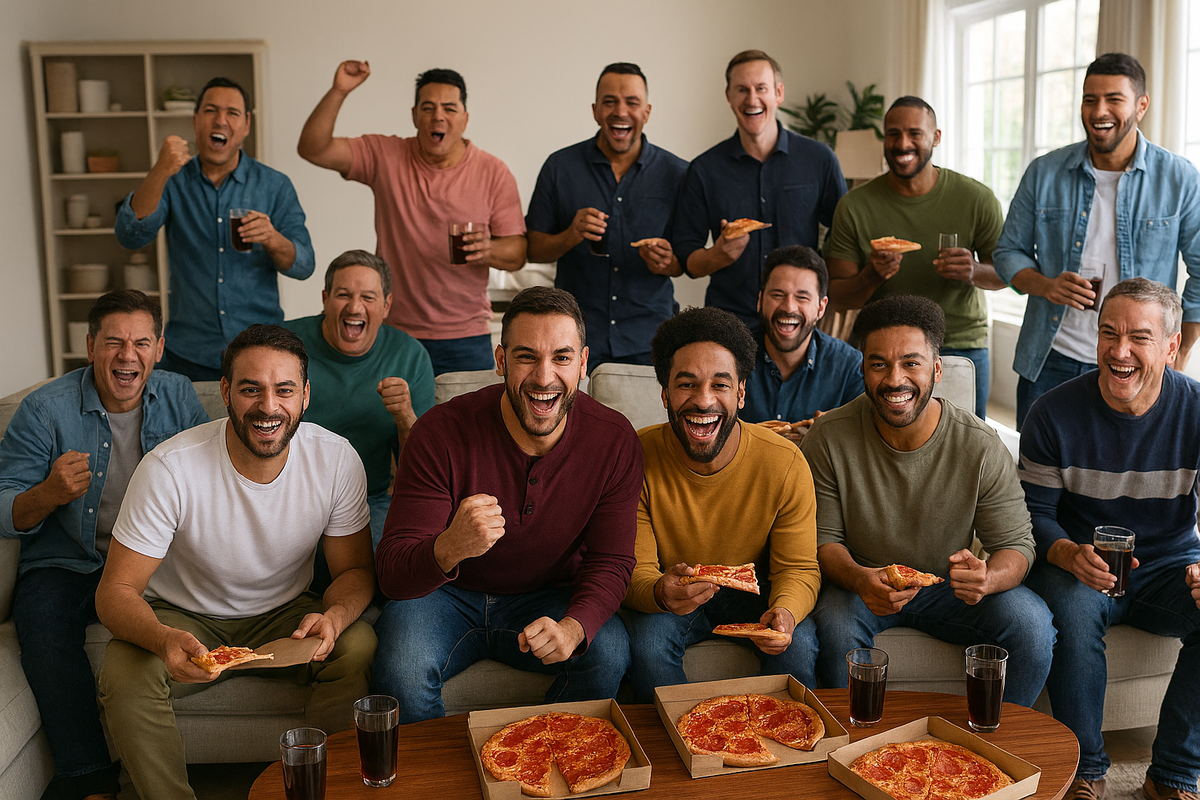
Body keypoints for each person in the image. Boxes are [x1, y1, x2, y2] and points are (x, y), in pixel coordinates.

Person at [95, 325, 376, 800]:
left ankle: (333, 790)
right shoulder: (169, 468)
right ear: (225, 391)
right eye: (251, 389)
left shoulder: (337, 459)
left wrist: (334, 617)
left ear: (305, 395)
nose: (268, 407)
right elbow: (115, 592)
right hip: (182, 616)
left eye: (284, 389)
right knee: (123, 672)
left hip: (284, 614)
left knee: (357, 641)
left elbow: (354, 572)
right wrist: (163, 638)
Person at [371, 287, 642, 723]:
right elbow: (391, 575)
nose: (544, 376)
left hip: (546, 597)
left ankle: (529, 759)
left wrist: (573, 628)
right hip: (445, 596)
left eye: (562, 357)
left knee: (608, 652)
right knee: (400, 666)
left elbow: (612, 561)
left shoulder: (614, 440)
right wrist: (451, 545)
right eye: (526, 357)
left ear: (583, 363)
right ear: (500, 361)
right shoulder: (439, 432)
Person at [0, 290, 207, 800]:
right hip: (67, 559)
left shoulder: (180, 396)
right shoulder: (44, 409)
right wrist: (47, 494)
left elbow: (215, 479)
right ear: (90, 346)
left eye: (141, 342)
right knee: (44, 628)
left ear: (159, 348)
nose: (126, 354)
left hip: (155, 562)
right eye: (113, 341)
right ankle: (90, 778)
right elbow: (3, 505)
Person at [801, 295, 1054, 705]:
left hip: (947, 587)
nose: (894, 379)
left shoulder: (980, 444)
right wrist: (860, 578)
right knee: (834, 627)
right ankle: (849, 743)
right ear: (863, 368)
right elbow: (823, 541)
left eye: (911, 363)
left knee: (1032, 624)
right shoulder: (829, 437)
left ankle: (993, 745)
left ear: (936, 368)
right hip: (862, 584)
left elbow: (1016, 546)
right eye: (878, 363)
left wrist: (987, 578)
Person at [1019, 277, 1200, 800]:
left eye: (1139, 338)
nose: (1119, 352)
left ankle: (1172, 775)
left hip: (1170, 563)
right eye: (1108, 333)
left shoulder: (1196, 410)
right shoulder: (1051, 413)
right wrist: (1068, 553)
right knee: (1073, 617)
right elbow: (1034, 516)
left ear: (1171, 346)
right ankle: (1086, 770)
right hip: (1079, 562)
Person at [622, 306, 820, 702]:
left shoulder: (784, 462)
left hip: (756, 594)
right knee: (646, 644)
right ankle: (678, 749)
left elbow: (798, 568)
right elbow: (634, 570)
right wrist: (661, 591)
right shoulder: (635, 456)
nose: (703, 401)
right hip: (672, 594)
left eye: (720, 385)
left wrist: (785, 611)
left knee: (799, 645)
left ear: (741, 393)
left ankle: (785, 757)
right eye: (686, 384)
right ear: (664, 393)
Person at [993, 53, 1200, 429]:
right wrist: (1046, 285)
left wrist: (1180, 351)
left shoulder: (1179, 178)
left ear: (1141, 105)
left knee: (1129, 477)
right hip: (1051, 358)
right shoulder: (1044, 172)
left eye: (1113, 99)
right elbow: (1007, 252)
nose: (1098, 110)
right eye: (1089, 99)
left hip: (1137, 362)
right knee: (1039, 476)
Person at [298, 61, 527, 374]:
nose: (438, 116)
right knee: (395, 422)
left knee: (468, 424)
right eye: (428, 107)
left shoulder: (493, 172)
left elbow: (517, 253)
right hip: (394, 333)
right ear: (414, 114)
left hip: (466, 336)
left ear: (465, 118)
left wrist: (489, 250)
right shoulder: (385, 155)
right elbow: (313, 148)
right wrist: (340, 90)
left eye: (449, 108)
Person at [116, 77, 315, 380]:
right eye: (211, 110)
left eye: (232, 113)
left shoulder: (274, 185)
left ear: (246, 124)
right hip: (187, 354)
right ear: (196, 121)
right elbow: (130, 236)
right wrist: (160, 170)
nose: (221, 120)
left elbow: (304, 265)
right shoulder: (173, 179)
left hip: (260, 352)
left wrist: (273, 239)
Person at [825, 96, 1005, 419]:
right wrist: (872, 275)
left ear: (936, 137)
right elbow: (836, 294)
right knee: (884, 449)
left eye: (914, 133)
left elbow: (1008, 274)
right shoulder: (854, 206)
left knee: (964, 447)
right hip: (884, 346)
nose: (902, 143)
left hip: (959, 343)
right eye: (893, 134)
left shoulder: (976, 199)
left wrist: (974, 271)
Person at [525, 62, 688, 369]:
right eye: (609, 101)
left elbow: (686, 259)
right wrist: (570, 234)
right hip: (574, 337)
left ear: (647, 112)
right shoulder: (560, 167)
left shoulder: (678, 174)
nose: (620, 111)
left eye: (632, 102)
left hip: (650, 337)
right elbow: (533, 249)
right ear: (595, 110)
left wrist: (670, 261)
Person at [671, 49, 847, 332]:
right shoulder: (704, 170)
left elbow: (844, 235)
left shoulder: (819, 159)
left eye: (761, 88)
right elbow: (687, 259)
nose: (751, 99)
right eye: (742, 90)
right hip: (729, 322)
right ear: (728, 96)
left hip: (797, 319)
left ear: (778, 93)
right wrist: (719, 255)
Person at [285, 249, 434, 549]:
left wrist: (405, 415)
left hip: (368, 500)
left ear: (386, 305)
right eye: (343, 295)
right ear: (325, 298)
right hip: (286, 494)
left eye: (368, 297)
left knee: (387, 562)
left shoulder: (410, 356)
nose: (355, 307)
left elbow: (422, 470)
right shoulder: (285, 344)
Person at [742, 245, 863, 440]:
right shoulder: (730, 356)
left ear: (821, 308)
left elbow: (861, 443)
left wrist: (830, 435)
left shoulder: (851, 367)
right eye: (778, 295)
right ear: (760, 300)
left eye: (802, 297)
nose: (789, 307)